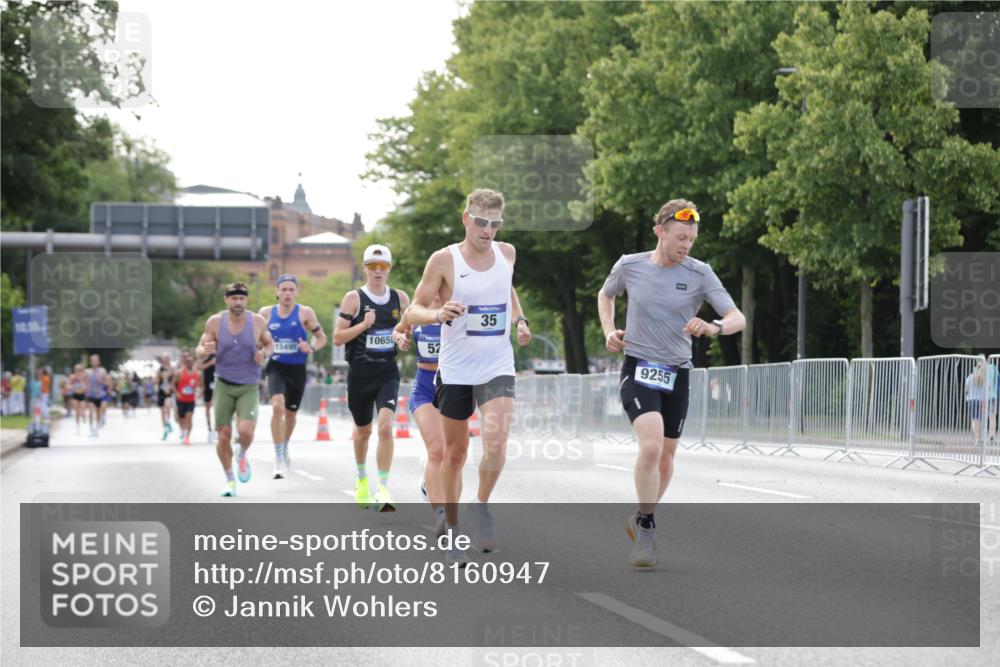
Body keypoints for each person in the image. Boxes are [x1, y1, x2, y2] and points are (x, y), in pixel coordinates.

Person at [598, 198, 745, 568]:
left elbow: (736, 317)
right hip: (639, 368)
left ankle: (640, 515)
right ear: (660, 231)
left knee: (666, 457)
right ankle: (646, 527)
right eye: (680, 237)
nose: (686, 245)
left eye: (691, 239)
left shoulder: (699, 273)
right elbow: (606, 294)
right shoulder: (630, 266)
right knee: (650, 447)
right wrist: (608, 331)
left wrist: (713, 326)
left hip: (677, 372)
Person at [405, 189, 532, 564]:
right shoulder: (444, 259)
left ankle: (481, 506)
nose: (488, 230)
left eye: (495, 223)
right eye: (481, 222)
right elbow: (413, 310)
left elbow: (506, 291)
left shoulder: (507, 253)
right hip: (457, 367)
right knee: (456, 454)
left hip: (497, 363)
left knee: (495, 440)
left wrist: (520, 320)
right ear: (466, 219)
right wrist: (437, 313)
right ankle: (454, 529)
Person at [333, 244, 409, 512]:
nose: (378, 271)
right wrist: (363, 325)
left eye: (383, 267)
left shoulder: (400, 298)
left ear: (389, 269)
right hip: (360, 374)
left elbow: (406, 331)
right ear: (365, 268)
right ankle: (362, 477)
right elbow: (337, 337)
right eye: (372, 266)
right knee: (363, 431)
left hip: (387, 372)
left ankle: (384, 488)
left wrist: (402, 338)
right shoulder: (353, 298)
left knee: (386, 427)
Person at [196, 282, 274, 497]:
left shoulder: (257, 321)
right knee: (223, 436)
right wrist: (205, 349)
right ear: (226, 300)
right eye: (233, 298)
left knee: (246, 432)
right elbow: (200, 347)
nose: (237, 302)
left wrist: (264, 354)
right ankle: (230, 479)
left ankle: (242, 454)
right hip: (223, 384)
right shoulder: (215, 322)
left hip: (248, 385)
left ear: (246, 301)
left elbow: (269, 344)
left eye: (241, 298)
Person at [258, 274, 327, 479]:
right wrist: (260, 350)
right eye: (284, 289)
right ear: (276, 292)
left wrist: (311, 347)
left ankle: (284, 444)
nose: (287, 293)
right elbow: (254, 336)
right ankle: (278, 458)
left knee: (290, 415)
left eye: (291, 290)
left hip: (297, 368)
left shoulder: (305, 312)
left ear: (296, 292)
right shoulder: (265, 313)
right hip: (276, 365)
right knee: (277, 406)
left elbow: (322, 337)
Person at [393, 294, 449, 534]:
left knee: (449, 453)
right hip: (424, 387)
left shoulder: (456, 307)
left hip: (453, 386)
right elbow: (397, 331)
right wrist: (400, 339)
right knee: (436, 449)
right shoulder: (416, 312)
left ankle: (428, 481)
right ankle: (440, 515)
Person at [174, 349, 201, 446]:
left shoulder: (197, 373)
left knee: (189, 418)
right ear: (185, 362)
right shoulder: (179, 372)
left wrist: (198, 392)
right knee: (181, 419)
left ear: (193, 362)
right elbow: (173, 384)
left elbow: (200, 386)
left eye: (191, 361)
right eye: (187, 361)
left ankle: (187, 437)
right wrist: (176, 393)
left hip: (191, 400)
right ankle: (182, 431)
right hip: (181, 399)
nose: (189, 363)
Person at [84, 355, 110, 437]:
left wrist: (102, 381)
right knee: (91, 410)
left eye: (95, 360)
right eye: (92, 360)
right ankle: (91, 428)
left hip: (100, 395)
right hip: (90, 394)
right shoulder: (87, 371)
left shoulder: (102, 371)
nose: (94, 362)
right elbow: (84, 382)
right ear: (90, 362)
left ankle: (96, 428)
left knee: (98, 412)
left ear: (98, 361)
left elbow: (107, 382)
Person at [965, 361, 988, 444]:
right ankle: (977, 436)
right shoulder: (984, 378)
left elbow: (966, 387)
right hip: (981, 400)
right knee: (978, 419)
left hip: (971, 399)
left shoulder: (971, 376)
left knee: (974, 419)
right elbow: (987, 389)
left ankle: (977, 439)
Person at [156, 354, 176, 440]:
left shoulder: (172, 369)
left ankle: (168, 422)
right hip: (161, 391)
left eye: (167, 359)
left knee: (167, 406)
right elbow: (156, 380)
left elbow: (175, 379)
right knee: (162, 411)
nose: (165, 360)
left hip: (169, 392)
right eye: (164, 359)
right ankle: (165, 428)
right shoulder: (159, 370)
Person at [199, 353, 217, 443]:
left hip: (218, 384)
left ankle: (216, 428)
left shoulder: (220, 352)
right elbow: (200, 367)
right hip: (207, 385)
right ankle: (209, 429)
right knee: (208, 408)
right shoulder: (204, 354)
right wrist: (211, 363)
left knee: (217, 407)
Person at [68, 364, 87, 434]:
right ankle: (77, 427)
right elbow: (69, 385)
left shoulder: (84, 377)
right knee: (77, 412)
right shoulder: (72, 377)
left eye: (79, 370)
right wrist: (74, 387)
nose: (78, 371)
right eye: (76, 369)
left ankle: (83, 415)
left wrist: (79, 388)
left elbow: (85, 387)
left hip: (82, 395)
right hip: (75, 395)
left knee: (82, 408)